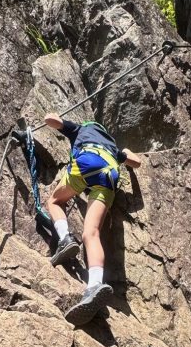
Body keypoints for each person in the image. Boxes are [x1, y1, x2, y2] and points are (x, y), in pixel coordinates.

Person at [44, 114, 141, 326]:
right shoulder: (112, 146)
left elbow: (51, 120)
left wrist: (54, 120)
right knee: (92, 233)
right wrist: (124, 153)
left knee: (54, 201)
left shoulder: (81, 129)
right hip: (110, 172)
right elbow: (137, 162)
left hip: (88, 162)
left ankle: (65, 239)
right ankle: (95, 284)